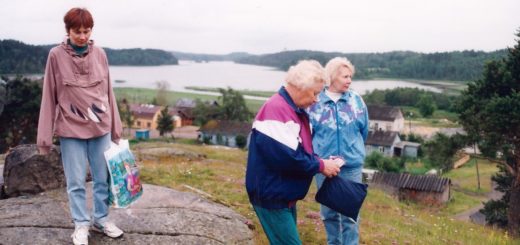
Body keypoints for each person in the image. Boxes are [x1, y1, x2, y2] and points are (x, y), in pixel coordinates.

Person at [37, 8, 124, 245]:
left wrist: (116, 128)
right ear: (68, 31)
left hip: (100, 128)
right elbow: (49, 96)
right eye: (77, 32)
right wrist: (44, 138)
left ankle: (101, 219)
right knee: (75, 181)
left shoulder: (101, 54)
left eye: (87, 31)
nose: (83, 36)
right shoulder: (55, 55)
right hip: (70, 129)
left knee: (102, 178)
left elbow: (108, 93)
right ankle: (81, 224)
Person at [245, 60, 342, 244]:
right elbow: (288, 158)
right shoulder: (276, 110)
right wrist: (321, 165)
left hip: (282, 195)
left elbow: (298, 149)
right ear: (300, 86)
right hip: (272, 196)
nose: (316, 99)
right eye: (315, 93)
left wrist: (318, 160)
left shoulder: (292, 109)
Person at [308, 57, 369, 245]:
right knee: (329, 213)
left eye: (350, 76)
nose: (349, 80)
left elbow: (363, 130)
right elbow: (309, 134)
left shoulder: (356, 101)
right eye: (345, 76)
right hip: (324, 167)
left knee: (351, 215)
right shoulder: (316, 102)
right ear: (333, 77)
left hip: (351, 167)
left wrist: (352, 152)